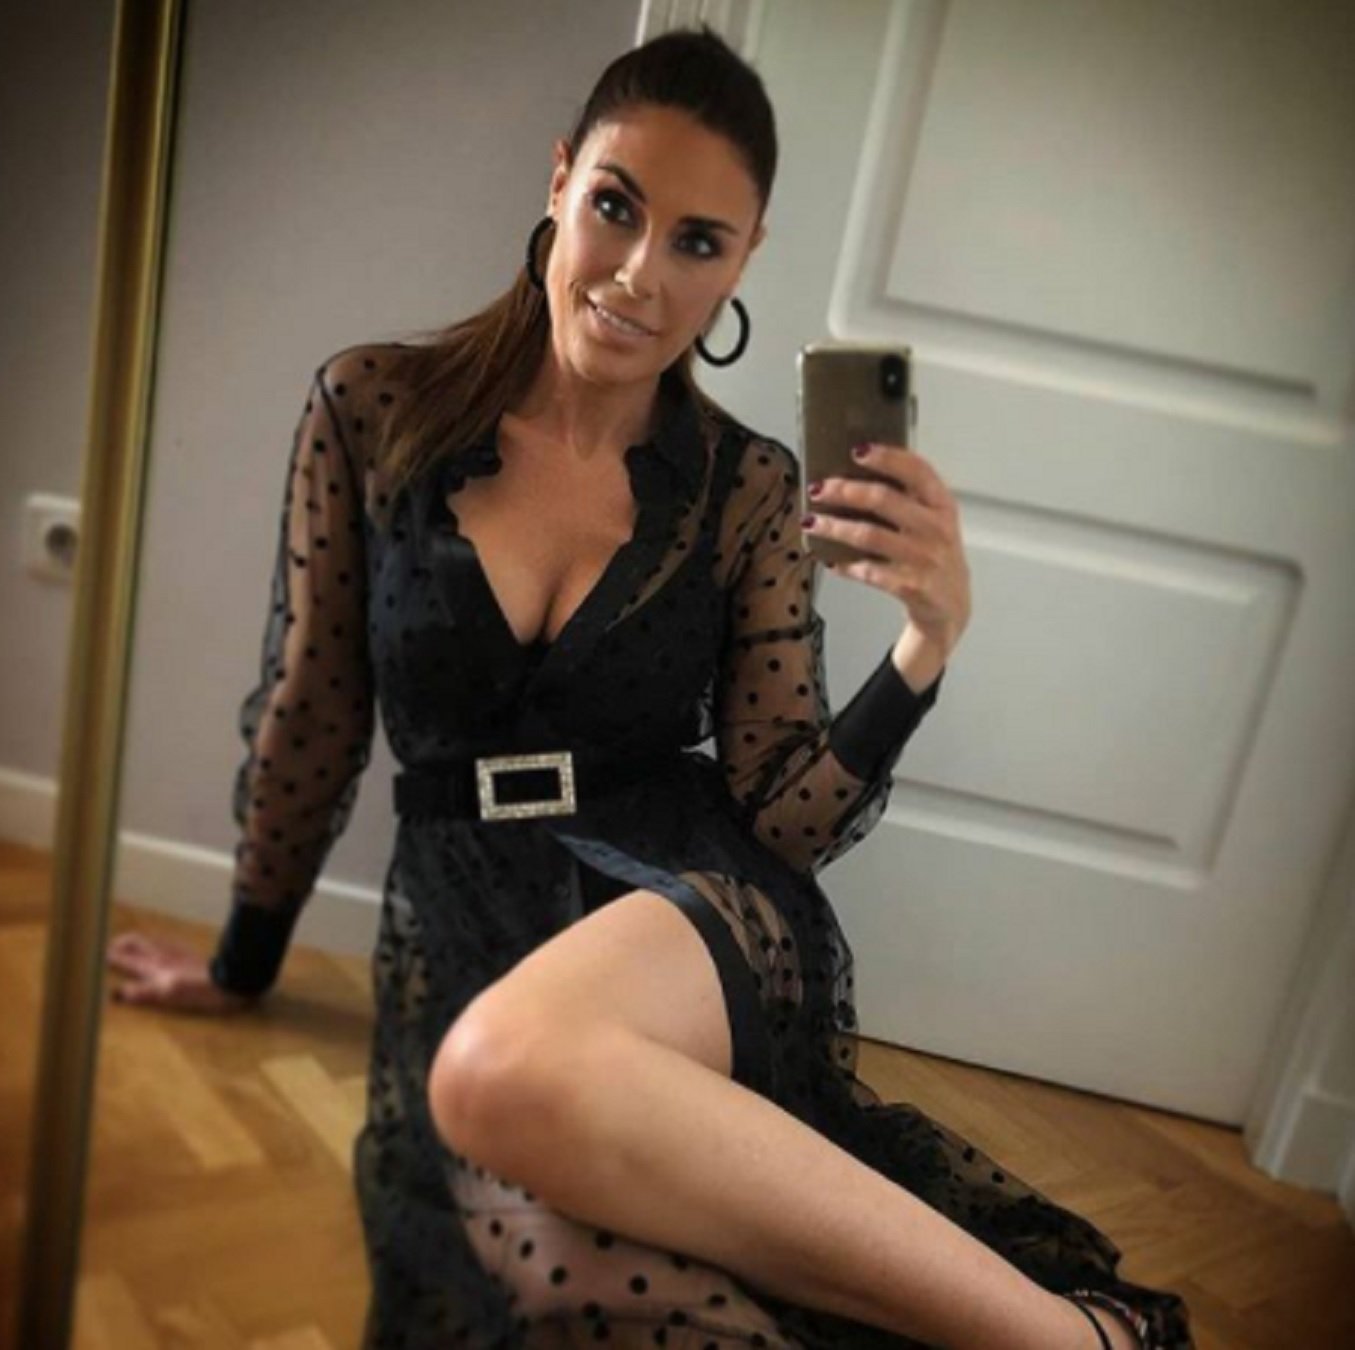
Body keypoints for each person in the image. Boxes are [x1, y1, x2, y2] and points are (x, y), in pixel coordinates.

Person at [105, 26, 1195, 1350]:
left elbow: (782, 811)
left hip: (684, 897)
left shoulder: (745, 486)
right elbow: (313, 711)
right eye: (618, 206)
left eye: (698, 241)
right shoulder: (373, 407)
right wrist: (243, 961)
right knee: (551, 1278)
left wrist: (926, 645)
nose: (638, 275)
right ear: (561, 177)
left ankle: (1080, 1344)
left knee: (513, 1083)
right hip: (464, 899)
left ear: (745, 260)